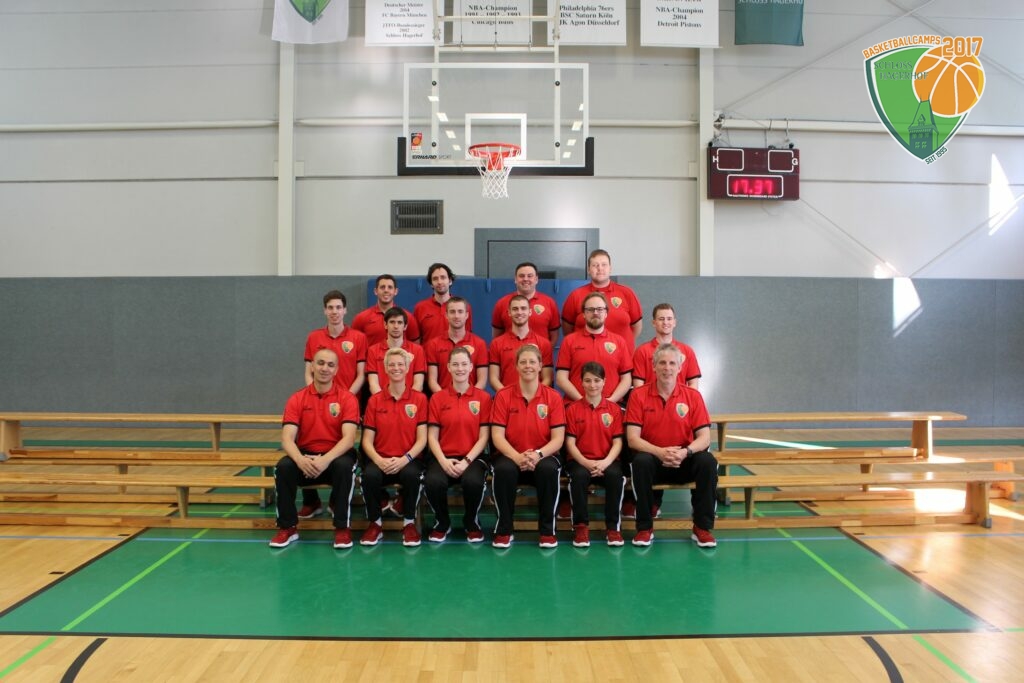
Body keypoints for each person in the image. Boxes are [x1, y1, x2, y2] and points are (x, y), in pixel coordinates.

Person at [625, 343, 718, 548]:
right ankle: (644, 528)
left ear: (680, 367)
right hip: (654, 461)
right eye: (662, 363)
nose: (667, 368)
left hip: (683, 460)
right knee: (640, 461)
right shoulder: (638, 395)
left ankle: (702, 528)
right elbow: (632, 438)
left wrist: (685, 452)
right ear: (654, 366)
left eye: (672, 363)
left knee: (708, 462)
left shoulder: (693, 396)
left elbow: (704, 438)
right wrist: (659, 452)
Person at [270, 348, 360, 550]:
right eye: (320, 363)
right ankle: (287, 527)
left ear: (336, 370)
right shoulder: (297, 398)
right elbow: (287, 439)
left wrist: (325, 460)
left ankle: (342, 528)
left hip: (335, 456)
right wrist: (301, 460)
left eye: (330, 365)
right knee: (283, 468)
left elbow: (348, 439)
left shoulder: (347, 398)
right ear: (312, 366)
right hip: (306, 457)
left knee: (345, 467)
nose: (325, 368)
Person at [299, 289, 367, 519]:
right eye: (330, 308)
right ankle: (311, 501)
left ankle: (338, 499)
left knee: (344, 450)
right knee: (307, 443)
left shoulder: (358, 337)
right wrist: (314, 394)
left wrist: (344, 398)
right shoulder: (313, 337)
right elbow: (308, 371)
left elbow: (361, 374)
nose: (334, 311)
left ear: (345, 310)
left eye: (338, 307)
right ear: (324, 311)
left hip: (348, 403)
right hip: (317, 401)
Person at [490, 344, 566, 548]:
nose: (528, 366)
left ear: (541, 366)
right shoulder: (503, 396)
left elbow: (558, 439)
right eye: (523, 362)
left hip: (544, 455)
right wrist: (517, 457)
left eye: (532, 361)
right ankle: (504, 530)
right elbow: (497, 436)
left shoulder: (553, 397)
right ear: (516, 366)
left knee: (548, 470)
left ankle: (547, 531)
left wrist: (538, 455)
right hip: (511, 455)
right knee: (503, 470)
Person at [359, 347, 428, 547]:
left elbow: (422, 439)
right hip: (381, 458)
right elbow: (367, 440)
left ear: (407, 368)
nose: (396, 368)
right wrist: (379, 460)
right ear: (385, 369)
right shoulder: (374, 401)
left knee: (412, 475)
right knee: (369, 476)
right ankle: (375, 524)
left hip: (409, 460)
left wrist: (405, 459)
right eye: (391, 365)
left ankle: (409, 523)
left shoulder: (419, 399)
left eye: (400, 364)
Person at [424, 347, 492, 543]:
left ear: (471, 367)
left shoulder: (483, 398)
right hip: (443, 457)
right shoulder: (437, 398)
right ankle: (442, 523)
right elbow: (432, 437)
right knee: (433, 482)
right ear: (448, 367)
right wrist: (443, 461)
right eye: (455, 364)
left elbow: (484, 436)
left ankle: (471, 522)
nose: (460, 368)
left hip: (473, 458)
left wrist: (466, 461)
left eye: (464, 364)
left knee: (473, 482)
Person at [564, 362, 626, 547]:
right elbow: (570, 443)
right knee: (578, 477)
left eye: (597, 380)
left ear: (604, 381)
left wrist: (605, 462)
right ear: (581, 382)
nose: (592, 385)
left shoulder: (614, 410)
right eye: (588, 380)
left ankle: (613, 528)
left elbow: (618, 442)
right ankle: (581, 527)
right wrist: (586, 462)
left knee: (615, 476)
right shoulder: (572, 409)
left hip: (607, 460)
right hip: (580, 461)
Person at [555, 292, 632, 406]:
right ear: (584, 314)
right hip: (575, 406)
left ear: (606, 313)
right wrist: (583, 401)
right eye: (590, 309)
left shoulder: (619, 342)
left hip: (611, 406)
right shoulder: (569, 341)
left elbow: (626, 379)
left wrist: (610, 401)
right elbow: (561, 378)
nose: (595, 313)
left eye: (600, 309)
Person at [560, 249, 643, 354]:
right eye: (595, 265)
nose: (600, 268)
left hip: (623, 357)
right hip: (586, 357)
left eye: (604, 265)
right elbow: (567, 330)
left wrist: (623, 344)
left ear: (610, 269)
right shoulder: (575, 295)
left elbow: (637, 327)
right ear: (588, 270)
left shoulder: (627, 293)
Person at [489, 294, 554, 391]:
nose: (519, 312)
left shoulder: (544, 344)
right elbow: (493, 378)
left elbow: (547, 378)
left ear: (530, 312)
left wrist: (533, 395)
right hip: (507, 398)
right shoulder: (496, 343)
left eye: (523, 308)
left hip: (536, 398)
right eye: (515, 309)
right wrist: (507, 396)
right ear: (509, 312)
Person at [425, 296, 488, 393]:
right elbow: (432, 381)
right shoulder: (433, 344)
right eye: (452, 312)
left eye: (460, 311)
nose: (456, 316)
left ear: (467, 315)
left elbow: (482, 380)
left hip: (471, 399)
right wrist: (443, 398)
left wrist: (469, 397)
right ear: (446, 315)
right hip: (443, 399)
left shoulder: (479, 344)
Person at [632, 303, 702, 390]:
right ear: (654, 323)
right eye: (661, 319)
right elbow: (638, 387)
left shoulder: (687, 351)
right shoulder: (642, 351)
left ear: (674, 322)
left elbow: (693, 385)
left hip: (680, 399)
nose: (665, 322)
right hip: (650, 399)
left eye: (669, 319)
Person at [491, 261, 560, 345]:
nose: (525, 279)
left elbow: (554, 335)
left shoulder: (549, 303)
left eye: (530, 276)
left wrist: (545, 351)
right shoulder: (501, 303)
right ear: (515, 279)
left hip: (540, 352)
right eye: (521, 276)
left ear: (536, 279)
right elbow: (497, 335)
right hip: (509, 352)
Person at [365, 307, 426, 394]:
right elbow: (373, 384)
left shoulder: (417, 350)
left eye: (399, 322)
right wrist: (384, 400)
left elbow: (418, 384)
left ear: (405, 326)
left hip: (410, 400)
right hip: (382, 400)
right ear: (385, 325)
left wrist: (407, 400)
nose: (396, 326)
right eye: (392, 322)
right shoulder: (373, 351)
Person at [352, 274, 421, 346]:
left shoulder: (407, 317)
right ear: (376, 291)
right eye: (382, 287)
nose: (386, 290)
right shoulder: (361, 318)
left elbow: (415, 344)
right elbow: (354, 343)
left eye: (390, 287)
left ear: (395, 291)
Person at [414, 262, 473, 344]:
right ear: (431, 284)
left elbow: (467, 337)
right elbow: (416, 341)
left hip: (456, 352)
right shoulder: (420, 308)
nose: (439, 282)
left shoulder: (463, 307)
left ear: (450, 281)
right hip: (429, 352)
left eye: (443, 277)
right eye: (435, 279)